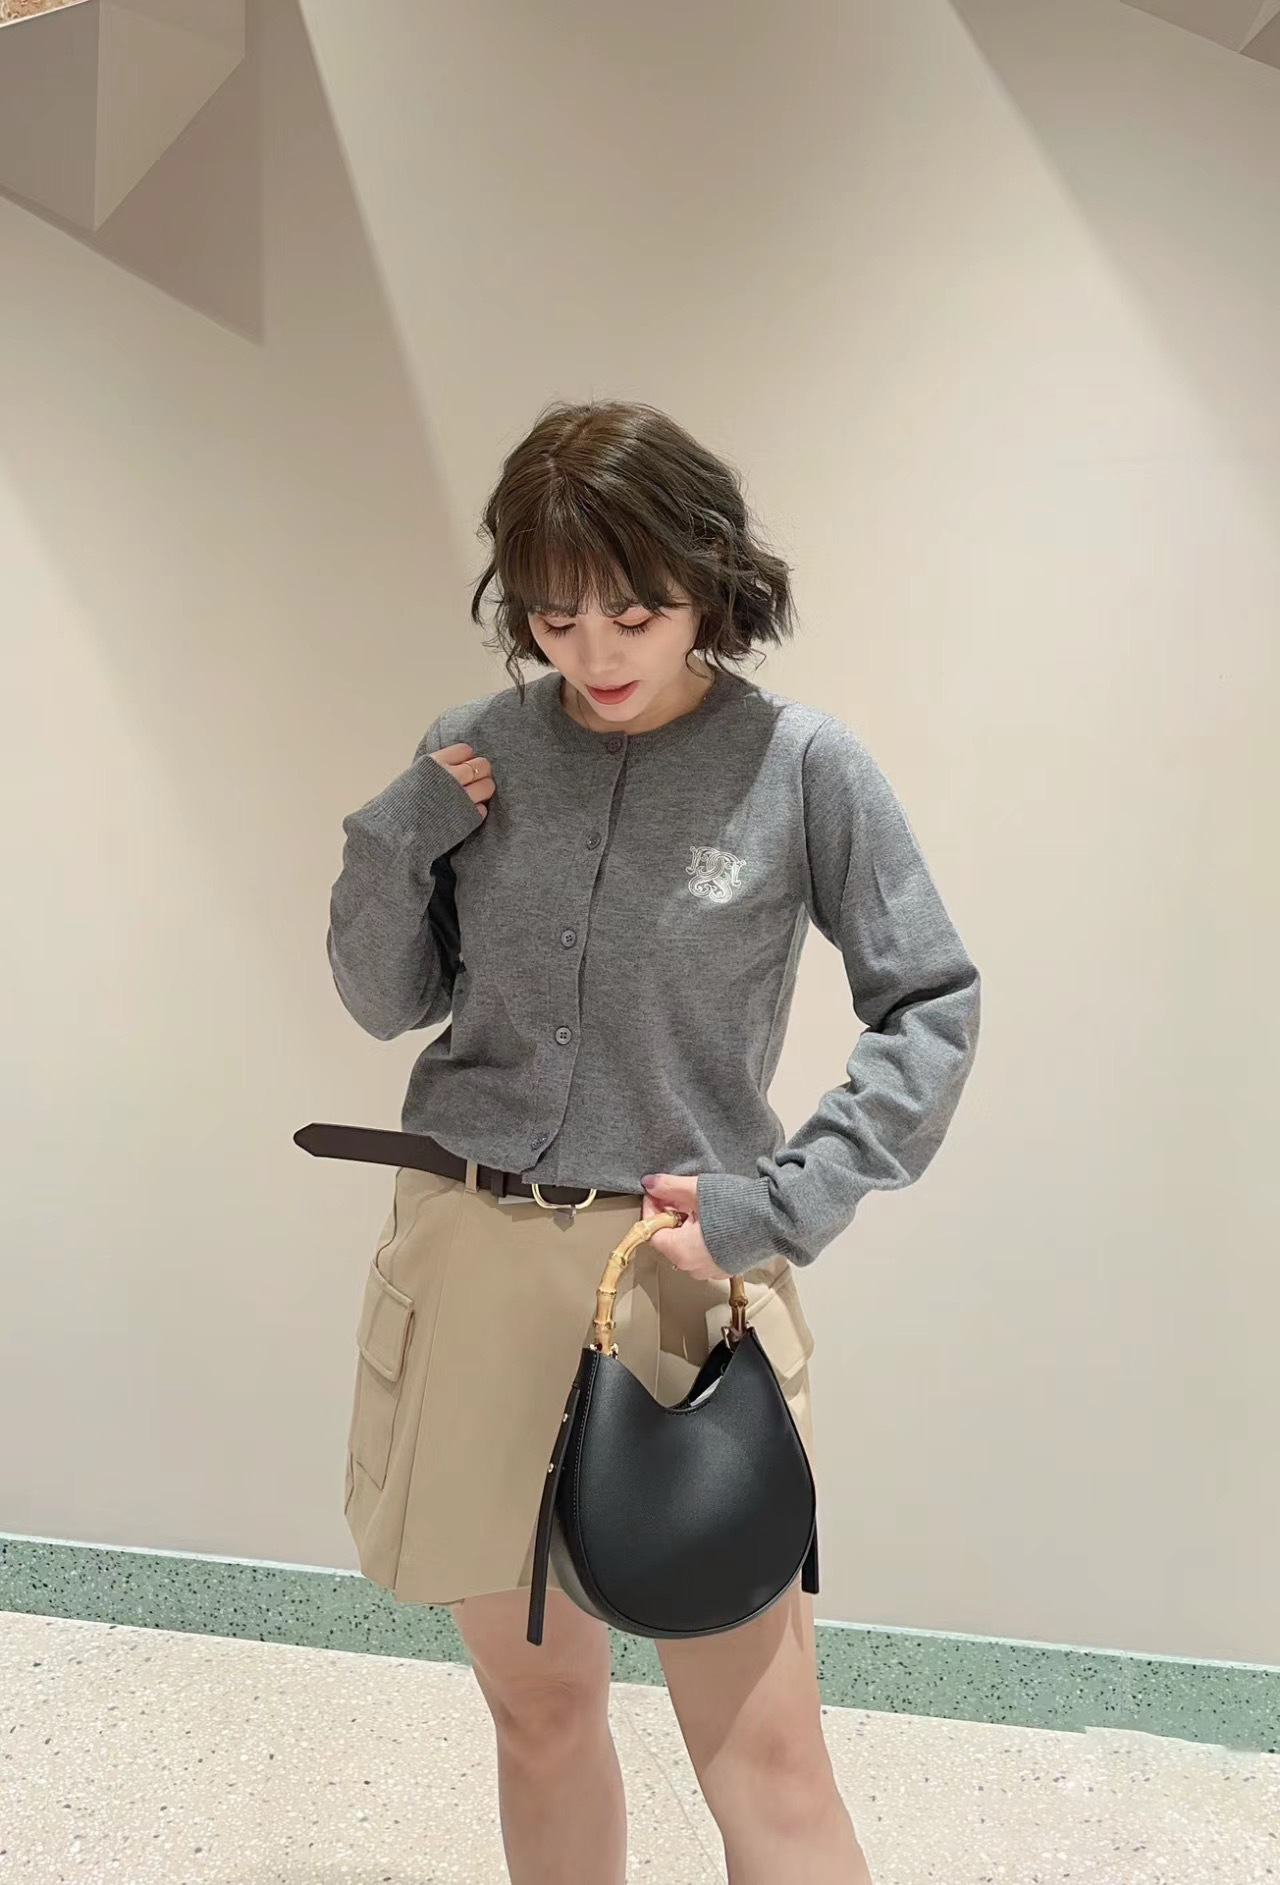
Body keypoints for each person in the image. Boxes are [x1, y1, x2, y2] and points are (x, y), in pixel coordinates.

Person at [321, 399, 981, 1884]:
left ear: (710, 581)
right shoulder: (474, 750)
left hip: (679, 1283)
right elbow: (384, 999)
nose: (596, 652)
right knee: (539, 1718)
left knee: (768, 1766)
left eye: (635, 612)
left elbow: (932, 1003)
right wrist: (393, 835)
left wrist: (781, 1206)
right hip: (474, 1261)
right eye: (556, 617)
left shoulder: (800, 765)